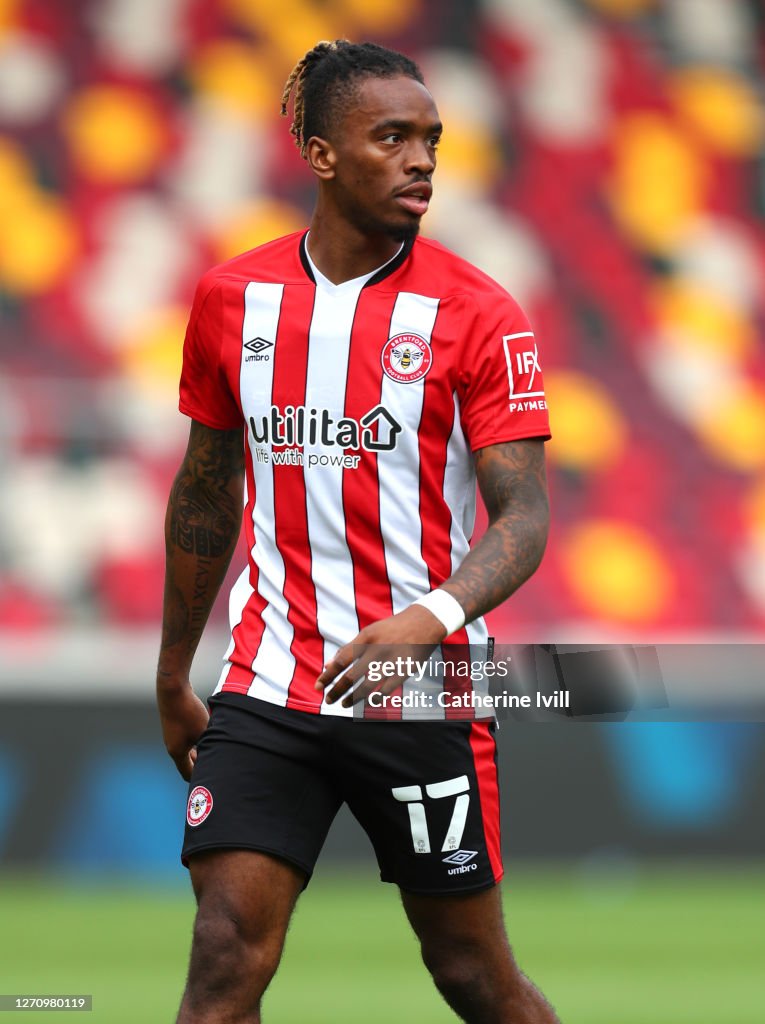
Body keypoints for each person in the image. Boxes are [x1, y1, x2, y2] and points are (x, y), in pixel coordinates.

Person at [157, 38, 558, 1024]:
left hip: (424, 693)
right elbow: (206, 490)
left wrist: (423, 622)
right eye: (393, 137)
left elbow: (526, 516)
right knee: (222, 967)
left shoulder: (481, 314)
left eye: (431, 138)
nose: (422, 158)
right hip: (269, 683)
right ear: (323, 153)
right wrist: (174, 672)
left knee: (472, 976)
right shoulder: (230, 301)